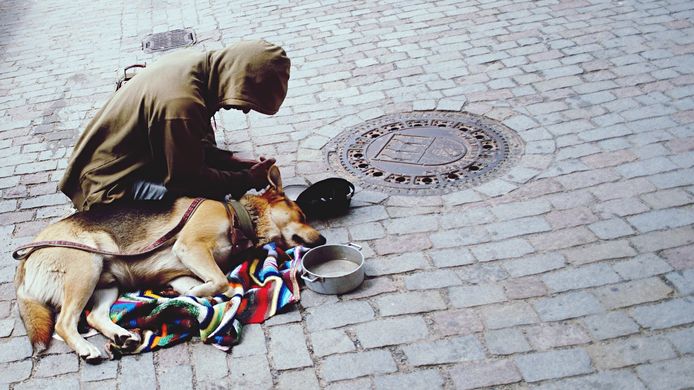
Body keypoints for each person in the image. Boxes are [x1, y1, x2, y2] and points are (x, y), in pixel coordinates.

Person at [58, 40, 291, 211]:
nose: (246, 109)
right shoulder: (182, 106)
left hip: (116, 162)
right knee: (207, 209)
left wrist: (232, 162)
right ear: (238, 79)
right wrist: (247, 179)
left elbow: (190, 143)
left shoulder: (193, 63)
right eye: (248, 98)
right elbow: (186, 182)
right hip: (107, 185)